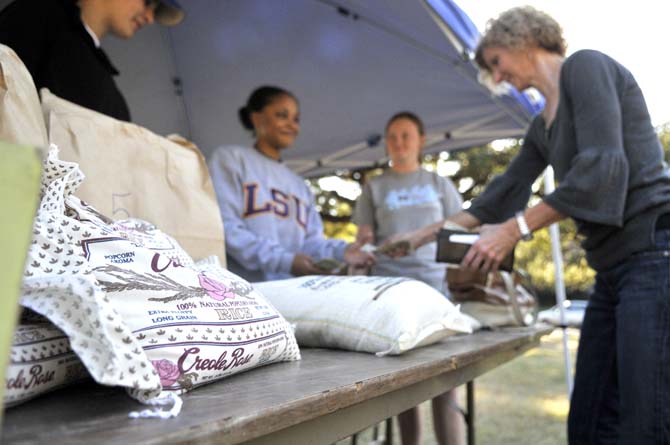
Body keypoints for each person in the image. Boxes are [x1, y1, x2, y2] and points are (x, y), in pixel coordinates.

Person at [385, 6, 670, 444]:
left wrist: (512, 230)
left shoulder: (586, 66)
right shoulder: (542, 127)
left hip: (654, 254)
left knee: (645, 420)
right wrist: (422, 234)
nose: (497, 79)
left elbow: (601, 173)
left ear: (523, 39)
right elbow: (503, 193)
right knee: (589, 422)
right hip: (612, 271)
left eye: (496, 63)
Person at [353, 112, 465, 445]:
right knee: (404, 384)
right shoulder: (374, 187)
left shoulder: (438, 184)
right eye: (392, 136)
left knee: (447, 380)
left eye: (406, 135)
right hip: (391, 291)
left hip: (436, 289)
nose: (399, 143)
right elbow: (363, 237)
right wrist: (362, 248)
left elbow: (460, 229)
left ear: (421, 140)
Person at [208, 85, 375, 282]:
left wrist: (343, 251)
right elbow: (225, 228)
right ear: (256, 118)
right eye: (282, 115)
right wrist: (285, 261)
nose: (291, 125)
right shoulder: (230, 159)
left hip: (294, 296)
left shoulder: (299, 185)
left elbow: (311, 243)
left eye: (296, 119)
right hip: (246, 295)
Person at [0, 0, 184, 121]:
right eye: (147, 2)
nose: (150, 18)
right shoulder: (37, 17)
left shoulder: (111, 91)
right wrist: (19, 181)